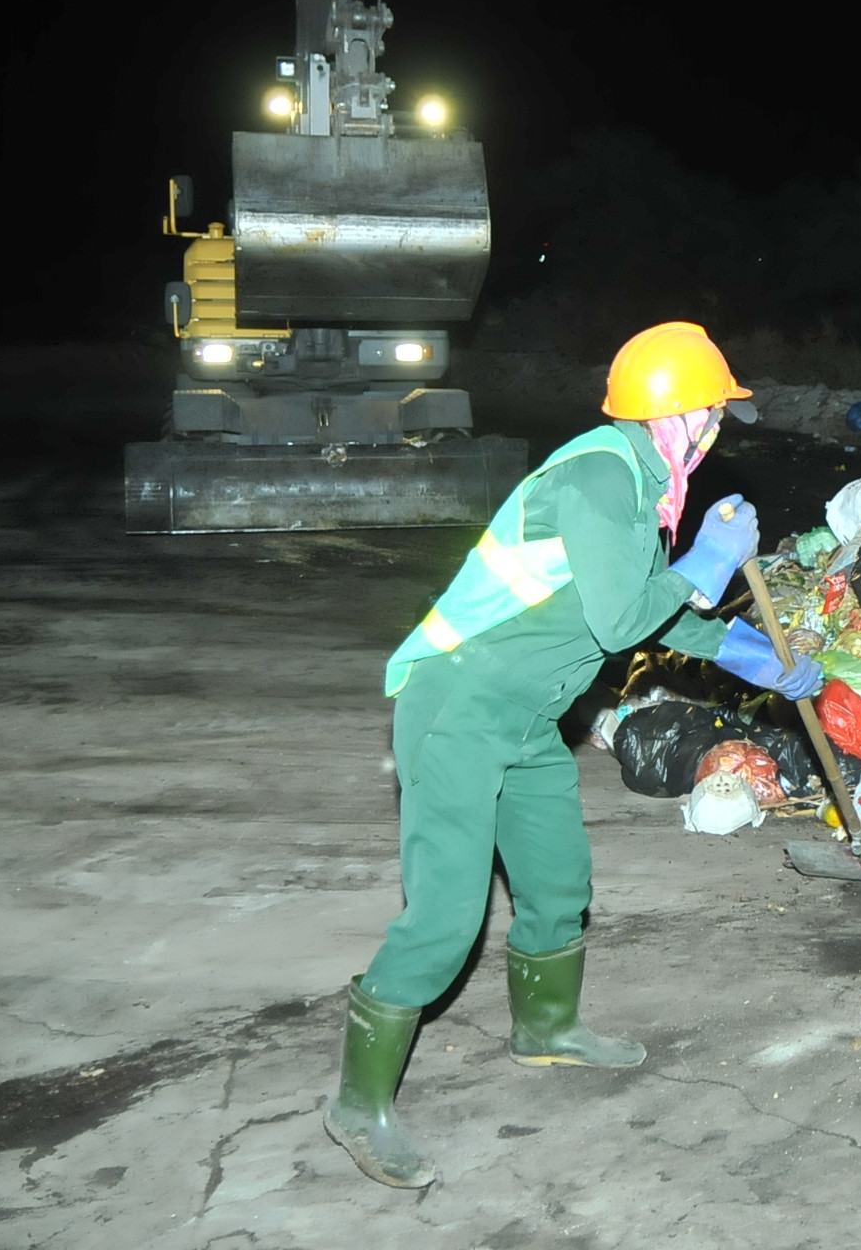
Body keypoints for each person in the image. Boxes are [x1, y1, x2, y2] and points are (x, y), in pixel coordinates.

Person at [324, 321, 821, 1190]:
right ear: (682, 415)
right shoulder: (598, 474)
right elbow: (620, 623)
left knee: (558, 884)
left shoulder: (638, 485)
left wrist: (755, 655)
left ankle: (545, 1029)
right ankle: (355, 1104)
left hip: (525, 719)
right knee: (445, 922)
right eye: (714, 413)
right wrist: (709, 558)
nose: (718, 432)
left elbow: (653, 608)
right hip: (457, 706)